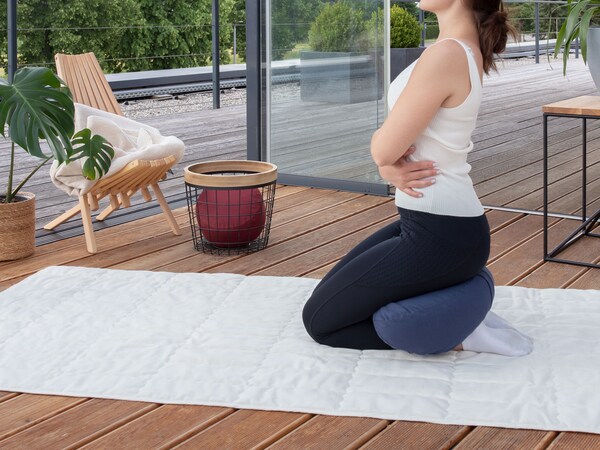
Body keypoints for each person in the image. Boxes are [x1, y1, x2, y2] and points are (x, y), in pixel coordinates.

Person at [302, 0, 533, 356]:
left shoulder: (448, 54)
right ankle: (457, 302)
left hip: (442, 235)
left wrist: (382, 157)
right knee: (327, 298)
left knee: (321, 322)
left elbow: (385, 149)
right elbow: (392, 151)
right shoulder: (455, 49)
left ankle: (459, 333)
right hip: (433, 225)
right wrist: (386, 162)